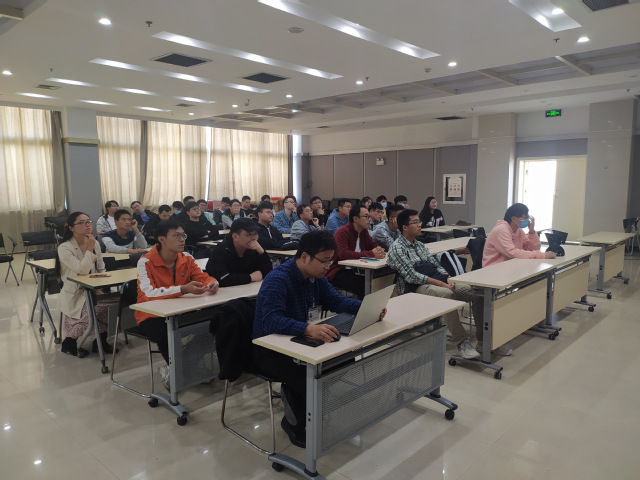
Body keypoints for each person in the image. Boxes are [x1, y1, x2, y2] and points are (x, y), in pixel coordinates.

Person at [252, 230, 385, 448]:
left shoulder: (316, 277)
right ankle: (294, 423)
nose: (328, 266)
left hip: (299, 342)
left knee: (343, 359)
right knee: (305, 375)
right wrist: (307, 329)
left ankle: (311, 404)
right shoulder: (278, 279)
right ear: (305, 257)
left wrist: (366, 308)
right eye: (324, 261)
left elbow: (336, 301)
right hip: (270, 350)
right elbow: (270, 320)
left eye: (330, 261)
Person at [387, 209, 486, 359]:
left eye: (419, 221)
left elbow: (436, 265)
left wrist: (447, 278)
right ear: (405, 227)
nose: (419, 225)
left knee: (478, 293)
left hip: (435, 280)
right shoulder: (397, 248)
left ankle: (484, 340)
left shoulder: (420, 245)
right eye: (415, 222)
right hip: (413, 288)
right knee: (447, 294)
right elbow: (411, 276)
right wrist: (441, 283)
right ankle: (461, 342)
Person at [136, 220, 219, 389]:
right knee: (166, 332)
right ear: (162, 239)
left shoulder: (186, 258)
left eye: (183, 235)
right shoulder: (145, 262)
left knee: (212, 323)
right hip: (152, 315)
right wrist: (182, 289)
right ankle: (179, 370)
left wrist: (212, 282)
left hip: (180, 310)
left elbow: (202, 276)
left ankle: (184, 366)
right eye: (176, 236)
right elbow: (149, 293)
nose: (182, 239)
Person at [56, 212, 119, 357]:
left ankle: (100, 341)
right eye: (82, 223)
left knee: (117, 303)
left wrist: (100, 288)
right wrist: (89, 248)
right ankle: (70, 341)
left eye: (89, 222)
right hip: (76, 293)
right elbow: (82, 269)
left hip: (94, 289)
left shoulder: (94, 243)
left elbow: (101, 268)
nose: (87, 225)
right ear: (71, 228)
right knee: (94, 309)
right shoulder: (65, 248)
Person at [326, 204, 386, 298]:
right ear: (355, 218)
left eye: (369, 217)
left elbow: (373, 244)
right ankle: (362, 307)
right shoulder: (343, 232)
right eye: (366, 216)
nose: (369, 219)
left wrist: (379, 250)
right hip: (341, 271)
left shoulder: (363, 231)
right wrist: (371, 254)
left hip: (358, 270)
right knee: (366, 285)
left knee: (380, 280)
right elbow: (343, 254)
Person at [483, 203, 556, 267]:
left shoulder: (518, 230)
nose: (527, 220)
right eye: (525, 217)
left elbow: (533, 250)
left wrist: (531, 231)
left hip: (509, 267)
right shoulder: (502, 230)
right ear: (513, 218)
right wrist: (543, 255)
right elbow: (513, 253)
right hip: (493, 270)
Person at [205, 218, 272, 286]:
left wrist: (262, 252)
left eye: (255, 233)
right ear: (235, 237)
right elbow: (221, 279)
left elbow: (268, 273)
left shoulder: (253, 249)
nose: (254, 238)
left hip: (247, 289)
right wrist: (250, 277)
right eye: (249, 234)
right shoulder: (219, 251)